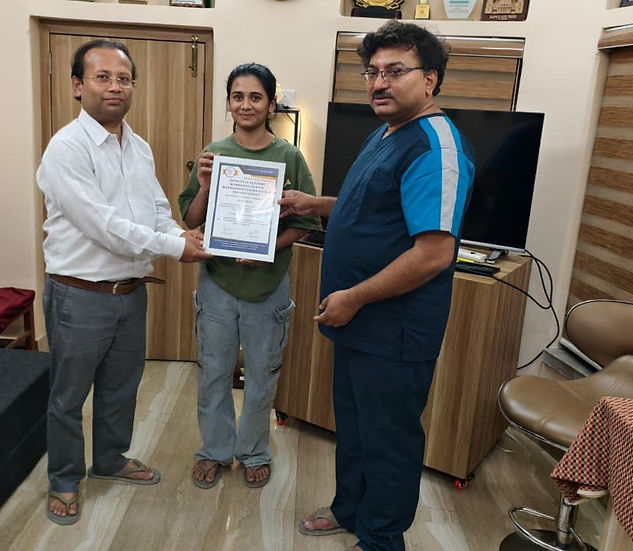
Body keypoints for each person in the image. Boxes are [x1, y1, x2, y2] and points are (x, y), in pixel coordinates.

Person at [279, 21, 474, 551]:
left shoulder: (435, 145)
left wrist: (354, 296)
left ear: (430, 80)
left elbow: (434, 253)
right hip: (356, 323)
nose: (379, 83)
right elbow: (369, 207)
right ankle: (350, 511)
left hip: (394, 331)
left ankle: (381, 539)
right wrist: (314, 205)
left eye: (395, 71)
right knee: (356, 426)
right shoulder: (385, 132)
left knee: (388, 439)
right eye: (372, 72)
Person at [36, 39, 210, 525]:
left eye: (124, 78)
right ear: (77, 86)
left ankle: (109, 460)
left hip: (131, 295)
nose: (115, 86)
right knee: (68, 398)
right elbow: (103, 225)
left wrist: (180, 231)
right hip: (79, 295)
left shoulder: (139, 146)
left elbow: (155, 207)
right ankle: (65, 479)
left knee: (121, 389)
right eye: (102, 77)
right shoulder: (65, 149)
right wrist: (178, 247)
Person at [178, 63, 321, 489]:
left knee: (263, 375)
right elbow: (189, 218)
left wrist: (268, 251)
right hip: (217, 284)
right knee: (213, 371)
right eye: (237, 96)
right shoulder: (214, 152)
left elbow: (307, 223)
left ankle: (255, 450)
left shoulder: (290, 156)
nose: (246, 104)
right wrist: (205, 185)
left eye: (255, 97)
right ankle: (214, 450)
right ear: (228, 103)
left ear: (271, 103)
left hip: (268, 286)